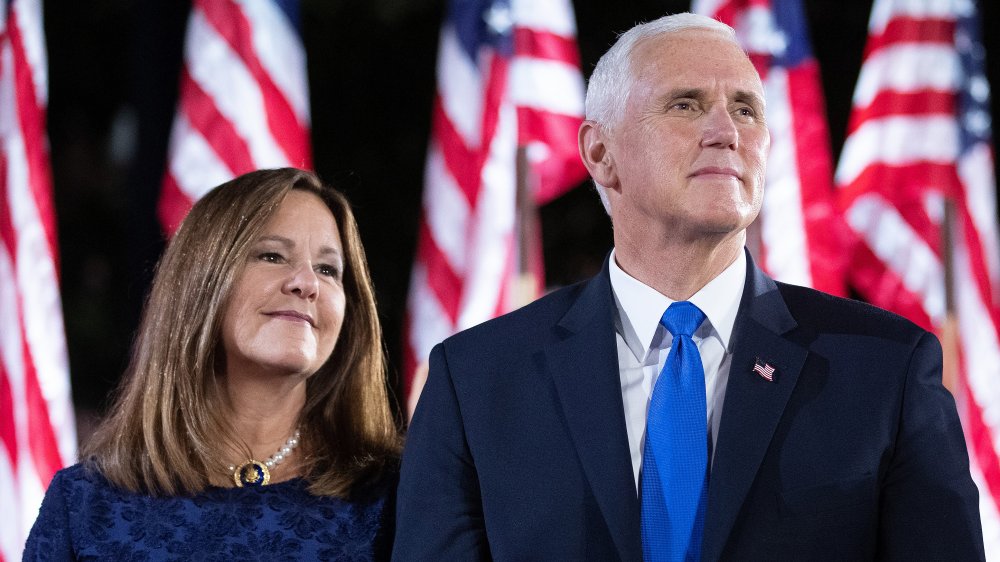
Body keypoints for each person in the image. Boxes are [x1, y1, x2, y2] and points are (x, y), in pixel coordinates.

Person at [393, 12, 984, 561]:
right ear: (600, 153)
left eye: (748, 109)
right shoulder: (474, 381)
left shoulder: (887, 370)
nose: (726, 131)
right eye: (686, 104)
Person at [24, 168, 402, 560]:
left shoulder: (395, 497)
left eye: (328, 269)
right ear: (200, 285)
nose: (307, 283)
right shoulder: (84, 506)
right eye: (272, 256)